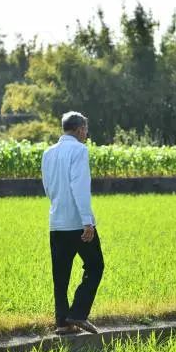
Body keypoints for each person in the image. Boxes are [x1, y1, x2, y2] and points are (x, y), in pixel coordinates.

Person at [41, 111, 104, 335]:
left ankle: (62, 322)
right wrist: (88, 222)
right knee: (96, 266)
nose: (87, 133)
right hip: (77, 224)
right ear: (78, 130)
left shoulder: (48, 153)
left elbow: (48, 188)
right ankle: (77, 313)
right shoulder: (79, 150)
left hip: (56, 223)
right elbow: (79, 186)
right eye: (86, 129)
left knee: (61, 275)